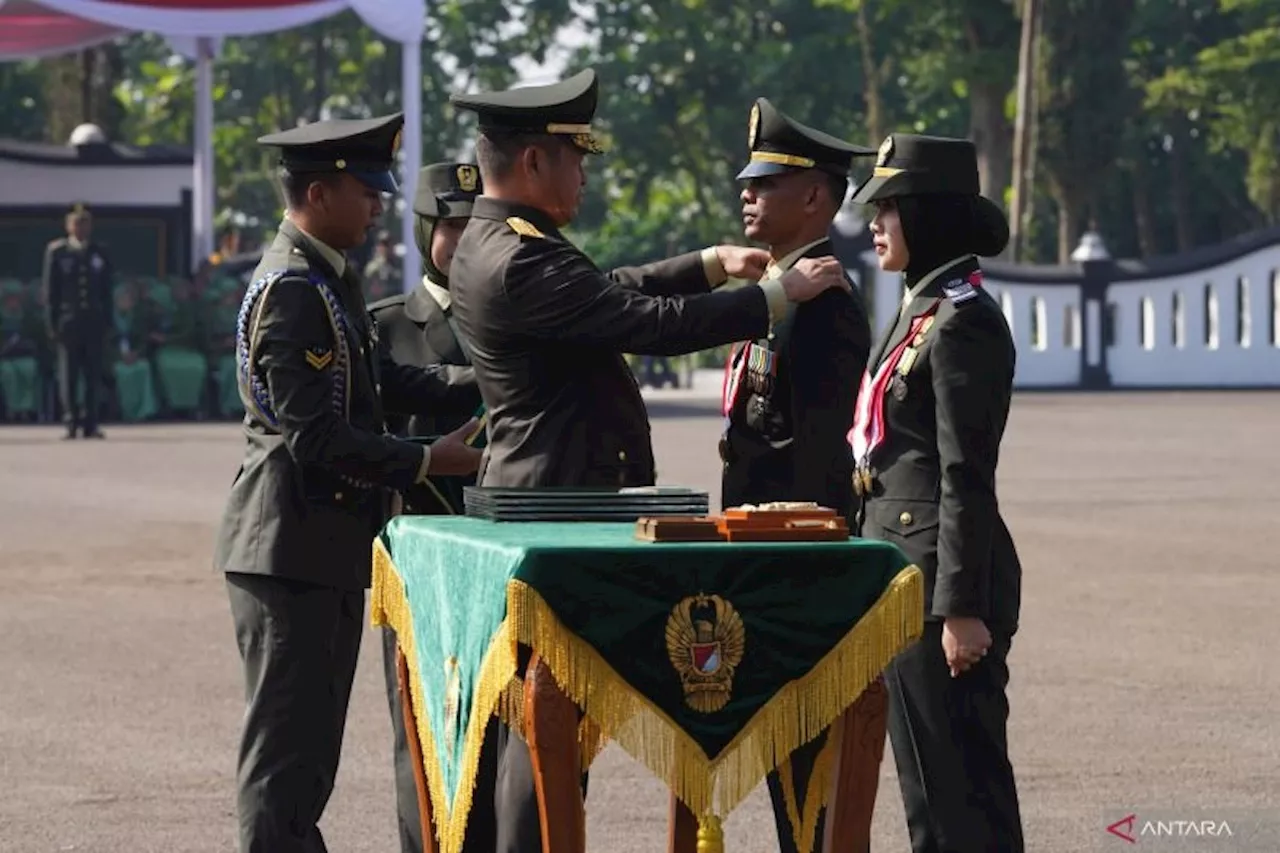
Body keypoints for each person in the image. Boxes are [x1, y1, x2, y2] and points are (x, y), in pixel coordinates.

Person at [447, 67, 853, 853]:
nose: (586, 173)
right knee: (546, 727)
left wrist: (707, 262)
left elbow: (604, 289)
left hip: (543, 493)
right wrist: (775, 296)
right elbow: (636, 317)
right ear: (535, 163)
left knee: (543, 726)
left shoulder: (493, 241)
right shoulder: (521, 255)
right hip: (558, 504)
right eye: (578, 157)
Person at [213, 112, 483, 853]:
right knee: (284, 760)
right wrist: (430, 461)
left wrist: (484, 379)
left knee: (306, 759)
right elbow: (316, 437)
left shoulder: (326, 276)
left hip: (316, 548)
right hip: (288, 547)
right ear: (323, 189)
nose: (378, 204)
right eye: (366, 189)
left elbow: (386, 379)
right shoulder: (296, 289)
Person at [848, 133, 1024, 853]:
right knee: (934, 794)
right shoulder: (919, 308)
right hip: (904, 575)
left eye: (889, 208)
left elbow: (965, 474)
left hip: (938, 591)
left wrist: (961, 605)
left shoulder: (962, 321)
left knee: (955, 799)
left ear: (931, 217)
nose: (875, 223)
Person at [721, 97, 875, 853]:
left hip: (796, 557)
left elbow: (818, 453)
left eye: (764, 184)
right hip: (760, 548)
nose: (745, 194)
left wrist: (792, 554)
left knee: (811, 763)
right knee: (786, 763)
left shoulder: (824, 308)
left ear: (814, 197)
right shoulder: (782, 294)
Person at [368, 160, 490, 853]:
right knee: (420, 733)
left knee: (503, 736)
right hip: (420, 561)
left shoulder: (518, 314)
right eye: (450, 225)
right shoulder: (385, 328)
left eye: (477, 223)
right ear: (423, 231)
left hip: (506, 554)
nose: (466, 238)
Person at [42, 202, 114, 439]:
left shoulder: (99, 251)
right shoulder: (57, 252)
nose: (81, 227)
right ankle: (71, 421)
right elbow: (51, 292)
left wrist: (107, 321)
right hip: (69, 322)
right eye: (76, 223)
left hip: (93, 321)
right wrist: (53, 323)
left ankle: (91, 423)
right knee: (69, 375)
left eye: (85, 223)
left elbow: (106, 291)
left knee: (92, 375)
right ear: (68, 225)